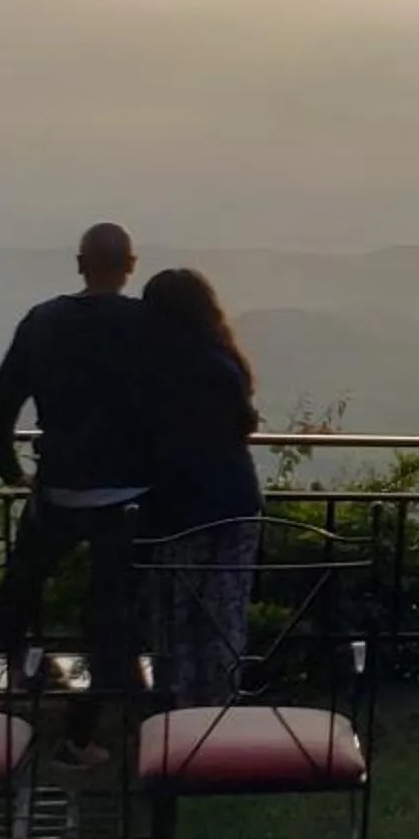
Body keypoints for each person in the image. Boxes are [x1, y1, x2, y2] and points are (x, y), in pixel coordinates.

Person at [0, 222, 162, 764]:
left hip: (56, 490)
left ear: (80, 264)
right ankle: (81, 736)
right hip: (128, 500)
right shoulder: (147, 326)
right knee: (112, 618)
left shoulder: (42, 322)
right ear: (130, 265)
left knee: (18, 593)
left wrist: (13, 471)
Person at [137, 267, 263, 714]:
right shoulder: (224, 361)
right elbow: (242, 423)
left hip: (179, 509)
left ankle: (176, 711)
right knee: (225, 614)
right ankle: (219, 709)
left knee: (176, 616)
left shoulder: (154, 370)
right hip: (236, 503)